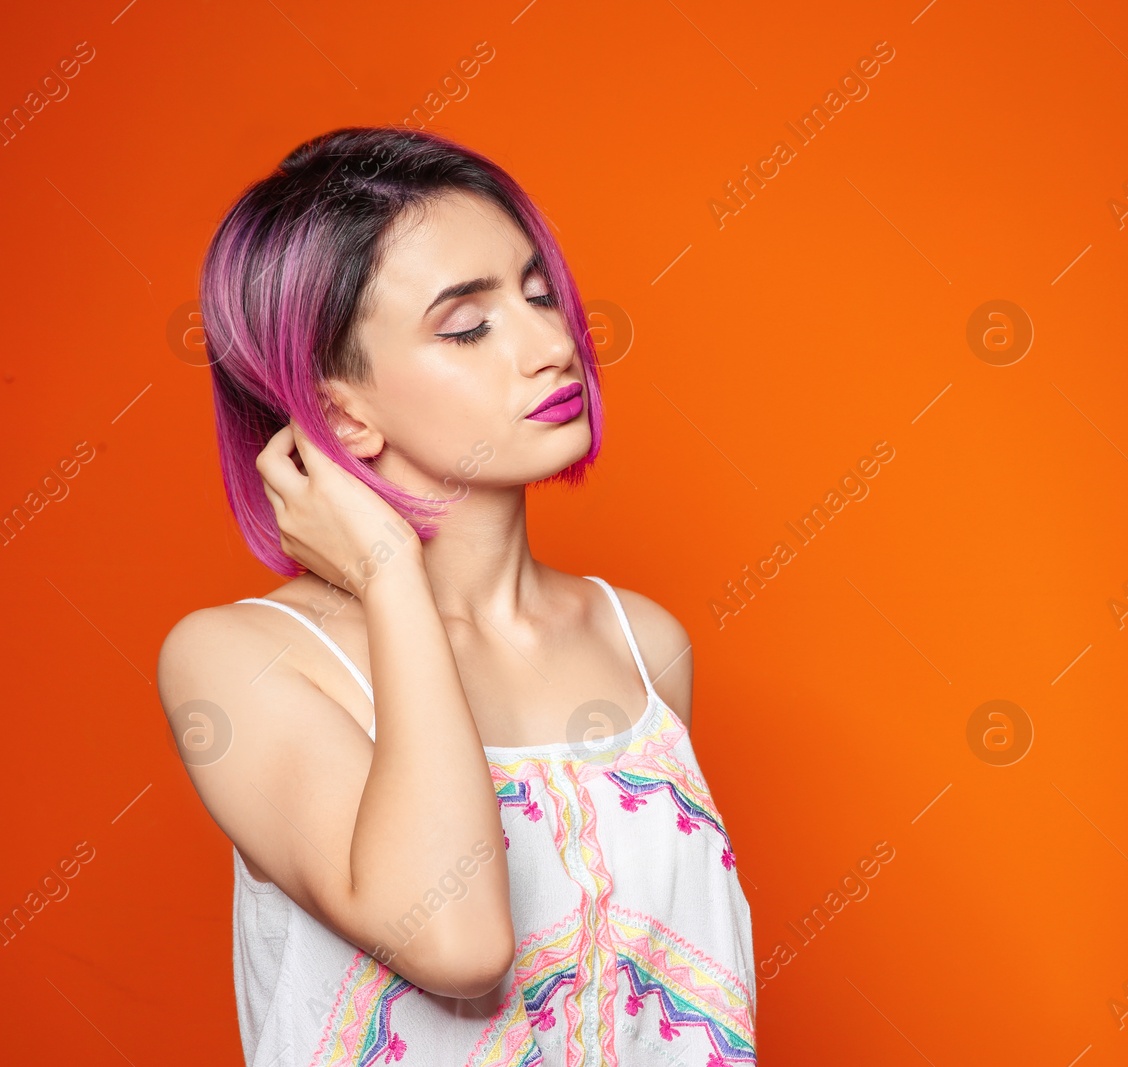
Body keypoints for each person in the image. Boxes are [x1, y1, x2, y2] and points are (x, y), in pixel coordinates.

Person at [156, 126, 756, 1066]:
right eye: (468, 325)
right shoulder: (240, 661)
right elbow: (460, 946)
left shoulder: (640, 641)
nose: (556, 343)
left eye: (539, 293)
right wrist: (388, 573)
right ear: (342, 412)